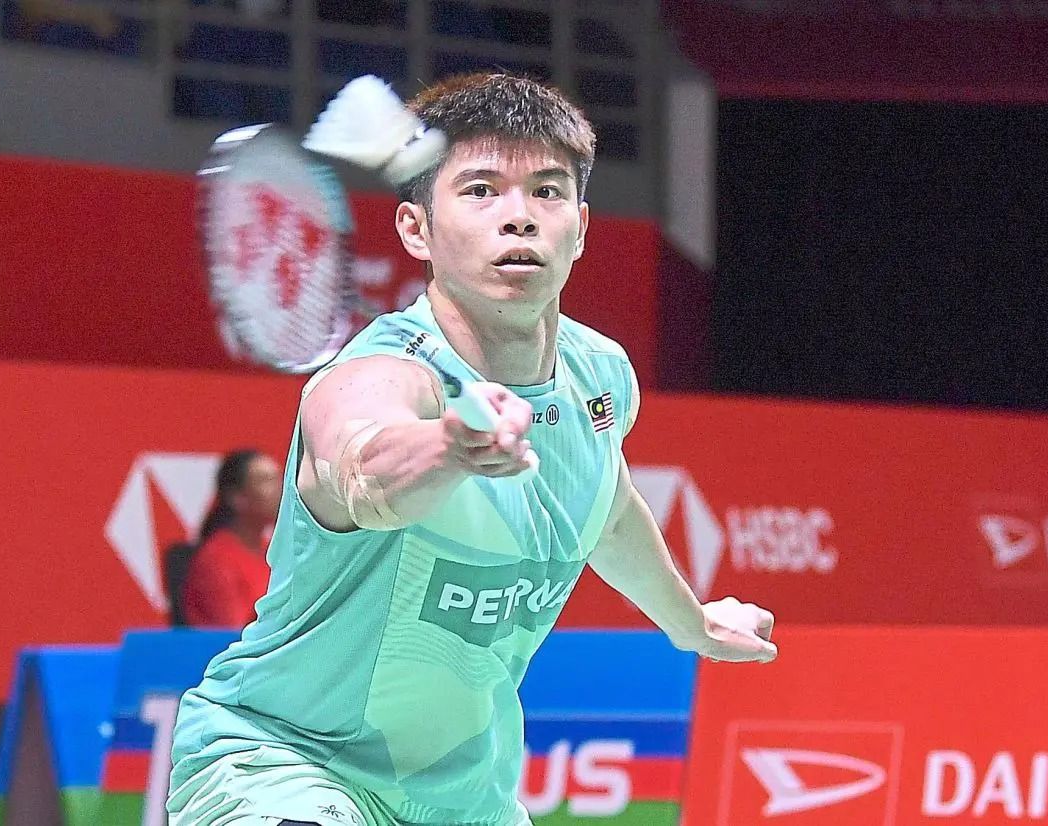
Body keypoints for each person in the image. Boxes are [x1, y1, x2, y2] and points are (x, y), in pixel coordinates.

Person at [167, 73, 777, 826]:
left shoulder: (598, 374)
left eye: (547, 192)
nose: (518, 216)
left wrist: (690, 624)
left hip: (462, 800)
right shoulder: (378, 375)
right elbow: (365, 472)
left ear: (581, 228)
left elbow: (608, 508)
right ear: (415, 230)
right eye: (480, 191)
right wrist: (450, 444)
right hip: (288, 762)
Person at [174, 449, 281, 627]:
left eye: (278, 479)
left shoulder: (277, 552)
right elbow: (235, 633)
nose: (280, 489)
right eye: (265, 480)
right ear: (237, 497)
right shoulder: (215, 560)